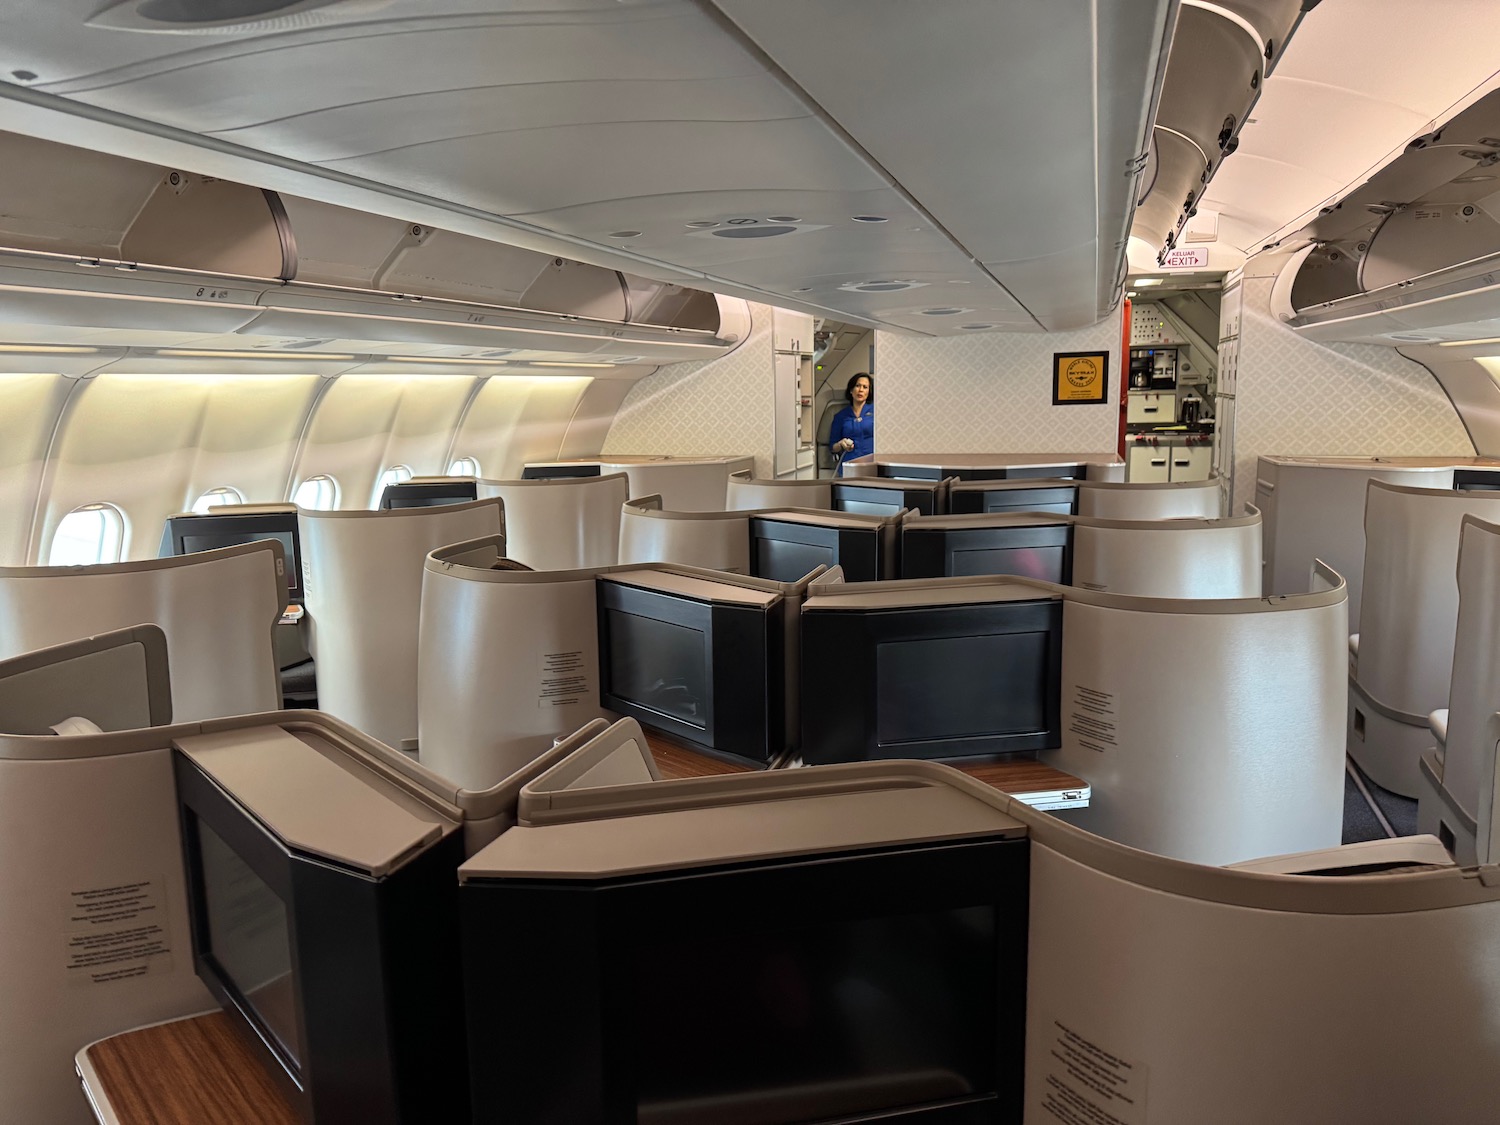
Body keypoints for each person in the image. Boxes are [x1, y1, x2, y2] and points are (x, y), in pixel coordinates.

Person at [829, 372, 874, 475]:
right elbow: (832, 446)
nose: (861, 390)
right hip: (849, 465)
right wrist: (841, 444)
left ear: (869, 391)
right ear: (851, 390)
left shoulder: (876, 412)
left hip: (872, 464)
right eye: (857, 386)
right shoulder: (841, 416)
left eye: (865, 387)